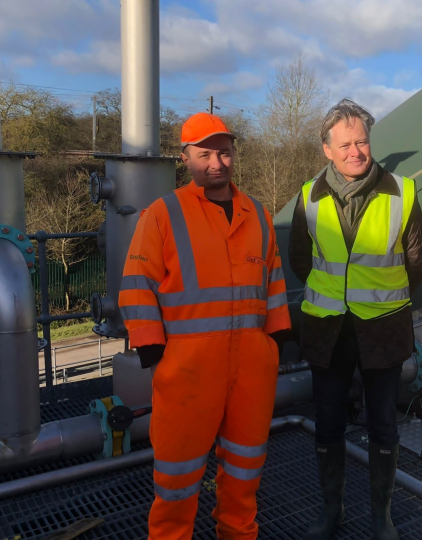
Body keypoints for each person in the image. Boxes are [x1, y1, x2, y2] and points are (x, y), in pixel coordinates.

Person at [119, 112, 290, 540]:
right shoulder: (163, 214)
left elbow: (274, 279)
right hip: (187, 368)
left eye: (224, 152)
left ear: (234, 155)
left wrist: (278, 336)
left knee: (246, 468)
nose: (217, 162)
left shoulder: (258, 214)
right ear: (185, 158)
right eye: (205, 153)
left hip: (252, 366)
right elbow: (137, 281)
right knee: (177, 476)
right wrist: (152, 349)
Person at [289, 98, 422, 540]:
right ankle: (332, 513)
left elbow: (418, 260)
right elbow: (299, 258)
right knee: (328, 422)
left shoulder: (402, 192)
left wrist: (377, 295)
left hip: (383, 328)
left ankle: (381, 518)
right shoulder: (308, 196)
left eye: (363, 141)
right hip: (328, 328)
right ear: (327, 150)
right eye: (345, 144)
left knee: (383, 423)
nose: (356, 151)